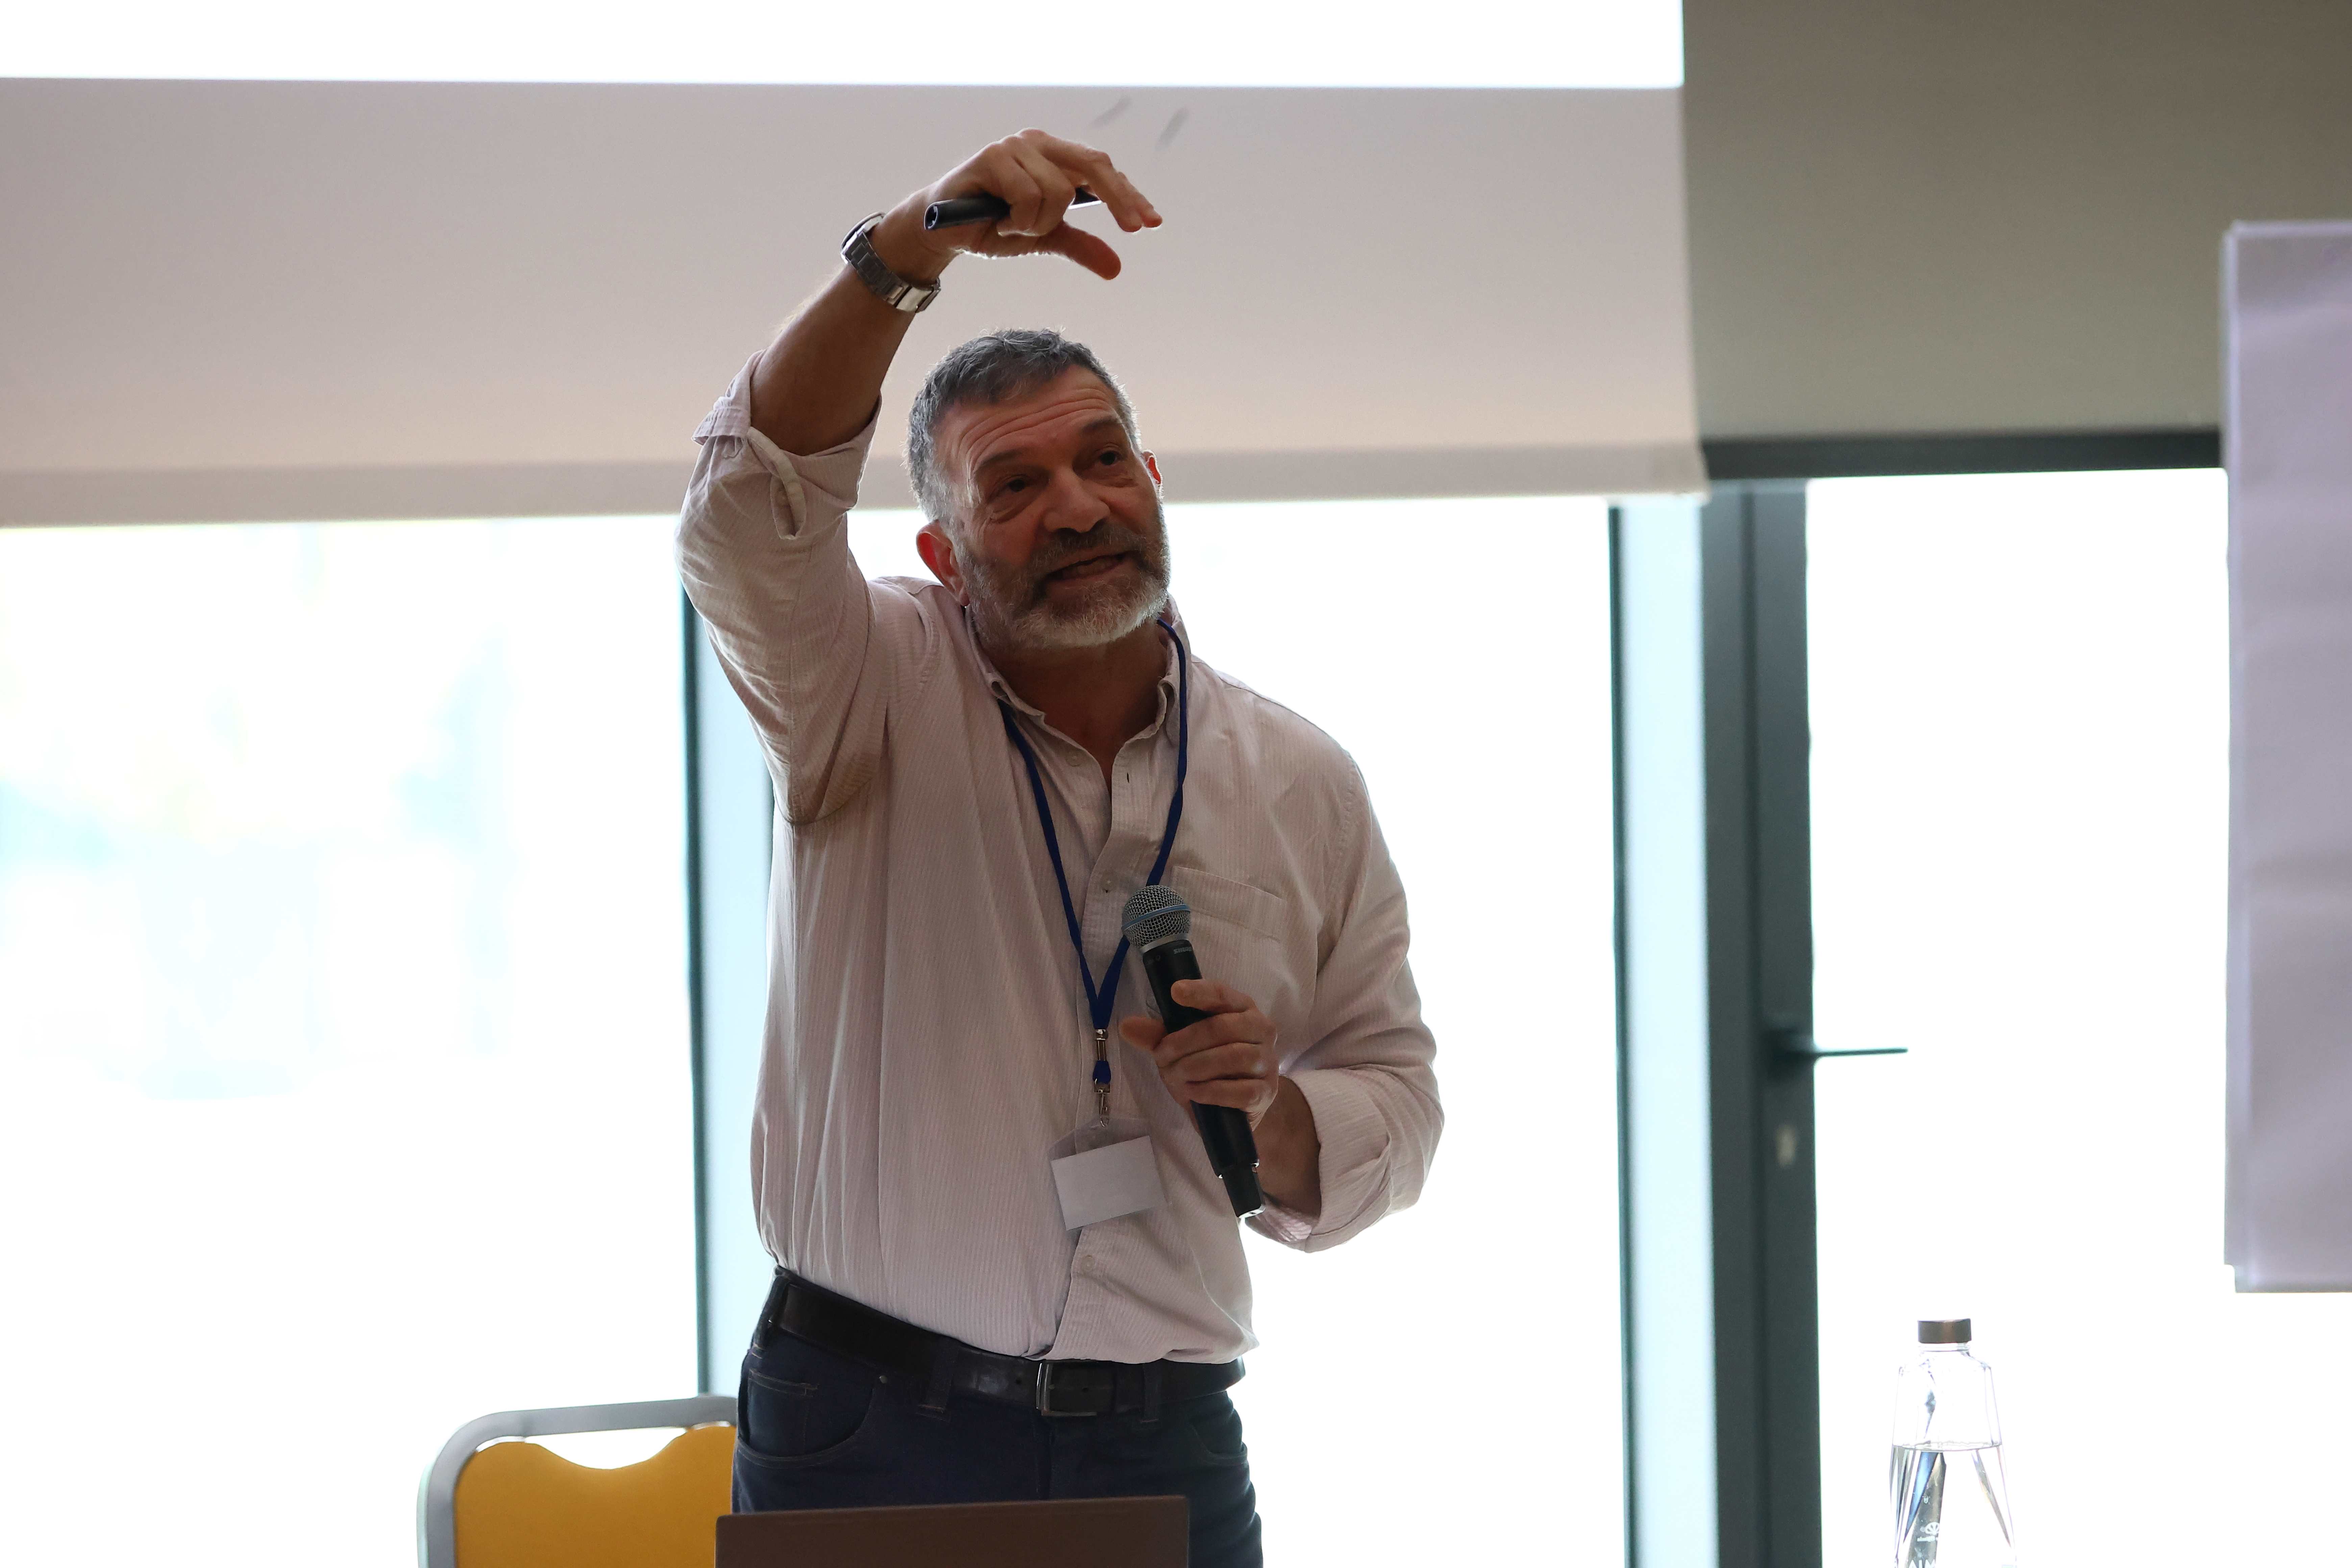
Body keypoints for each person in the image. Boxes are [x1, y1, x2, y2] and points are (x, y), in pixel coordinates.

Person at [676, 128, 1442, 1568]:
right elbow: (744, 510)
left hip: (1163, 1433)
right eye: (1013, 485)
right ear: (944, 556)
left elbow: (1397, 1099)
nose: (1078, 506)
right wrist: (910, 249)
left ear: (1152, 478)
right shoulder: (864, 691)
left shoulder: (1300, 778)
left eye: (1102, 462)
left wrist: (1275, 1111)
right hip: (871, 1421)